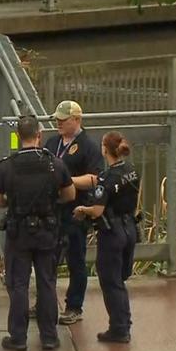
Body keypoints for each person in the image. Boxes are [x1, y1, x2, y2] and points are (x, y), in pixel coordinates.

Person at [0, 116, 75, 351]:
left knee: (18, 285)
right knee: (46, 283)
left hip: (19, 233)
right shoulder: (54, 164)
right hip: (47, 231)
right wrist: (50, 202)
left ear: (18, 135)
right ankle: (49, 337)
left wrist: (14, 202)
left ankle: (18, 338)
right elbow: (70, 194)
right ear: (39, 135)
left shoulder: (7, 166)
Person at [73, 131, 141, 343]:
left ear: (105, 149)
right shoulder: (131, 170)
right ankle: (124, 323)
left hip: (112, 233)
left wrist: (83, 209)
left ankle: (119, 328)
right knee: (119, 280)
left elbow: (98, 211)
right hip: (130, 227)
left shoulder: (107, 177)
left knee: (111, 282)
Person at [43, 100, 103, 325]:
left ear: (76, 120)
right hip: (51, 210)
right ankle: (44, 300)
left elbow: (95, 178)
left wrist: (67, 182)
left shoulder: (88, 146)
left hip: (76, 210)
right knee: (47, 258)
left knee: (76, 260)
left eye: (63, 120)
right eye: (56, 119)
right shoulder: (52, 142)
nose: (58, 123)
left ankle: (74, 306)